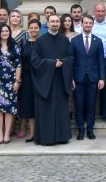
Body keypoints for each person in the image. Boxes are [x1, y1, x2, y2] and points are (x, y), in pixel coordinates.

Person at [28, 14, 74, 146]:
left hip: (61, 80)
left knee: (61, 109)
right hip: (45, 82)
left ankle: (62, 136)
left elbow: (71, 58)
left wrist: (62, 62)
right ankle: (46, 138)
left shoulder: (65, 41)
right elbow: (35, 61)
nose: (55, 24)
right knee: (46, 110)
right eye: (52, 21)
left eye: (56, 22)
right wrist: (52, 63)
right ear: (47, 23)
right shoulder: (40, 41)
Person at [71, 15, 105, 140]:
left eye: (90, 23)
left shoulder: (98, 41)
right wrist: (71, 78)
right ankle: (80, 129)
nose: (88, 25)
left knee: (91, 105)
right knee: (79, 105)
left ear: (93, 25)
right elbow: (72, 61)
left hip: (93, 78)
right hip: (78, 78)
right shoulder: (75, 41)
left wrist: (102, 78)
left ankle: (90, 129)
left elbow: (101, 61)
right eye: (86, 23)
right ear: (82, 24)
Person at [17, 19, 40, 140]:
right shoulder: (24, 43)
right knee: (28, 105)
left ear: (39, 29)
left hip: (40, 78)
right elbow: (20, 61)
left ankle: (39, 132)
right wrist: (19, 78)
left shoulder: (43, 42)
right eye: (31, 28)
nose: (33, 30)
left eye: (36, 28)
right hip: (26, 78)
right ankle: (32, 133)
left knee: (39, 104)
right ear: (28, 29)